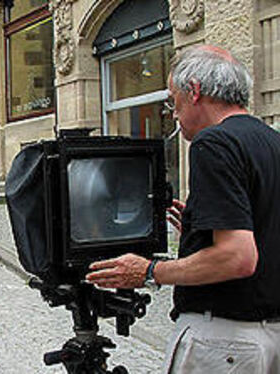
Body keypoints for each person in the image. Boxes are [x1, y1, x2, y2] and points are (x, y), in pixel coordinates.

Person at [85, 45, 280, 373]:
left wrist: (148, 272)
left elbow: (238, 257)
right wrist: (201, 234)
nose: (172, 113)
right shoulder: (270, 141)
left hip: (225, 342)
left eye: (172, 100)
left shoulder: (214, 143)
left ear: (195, 91)